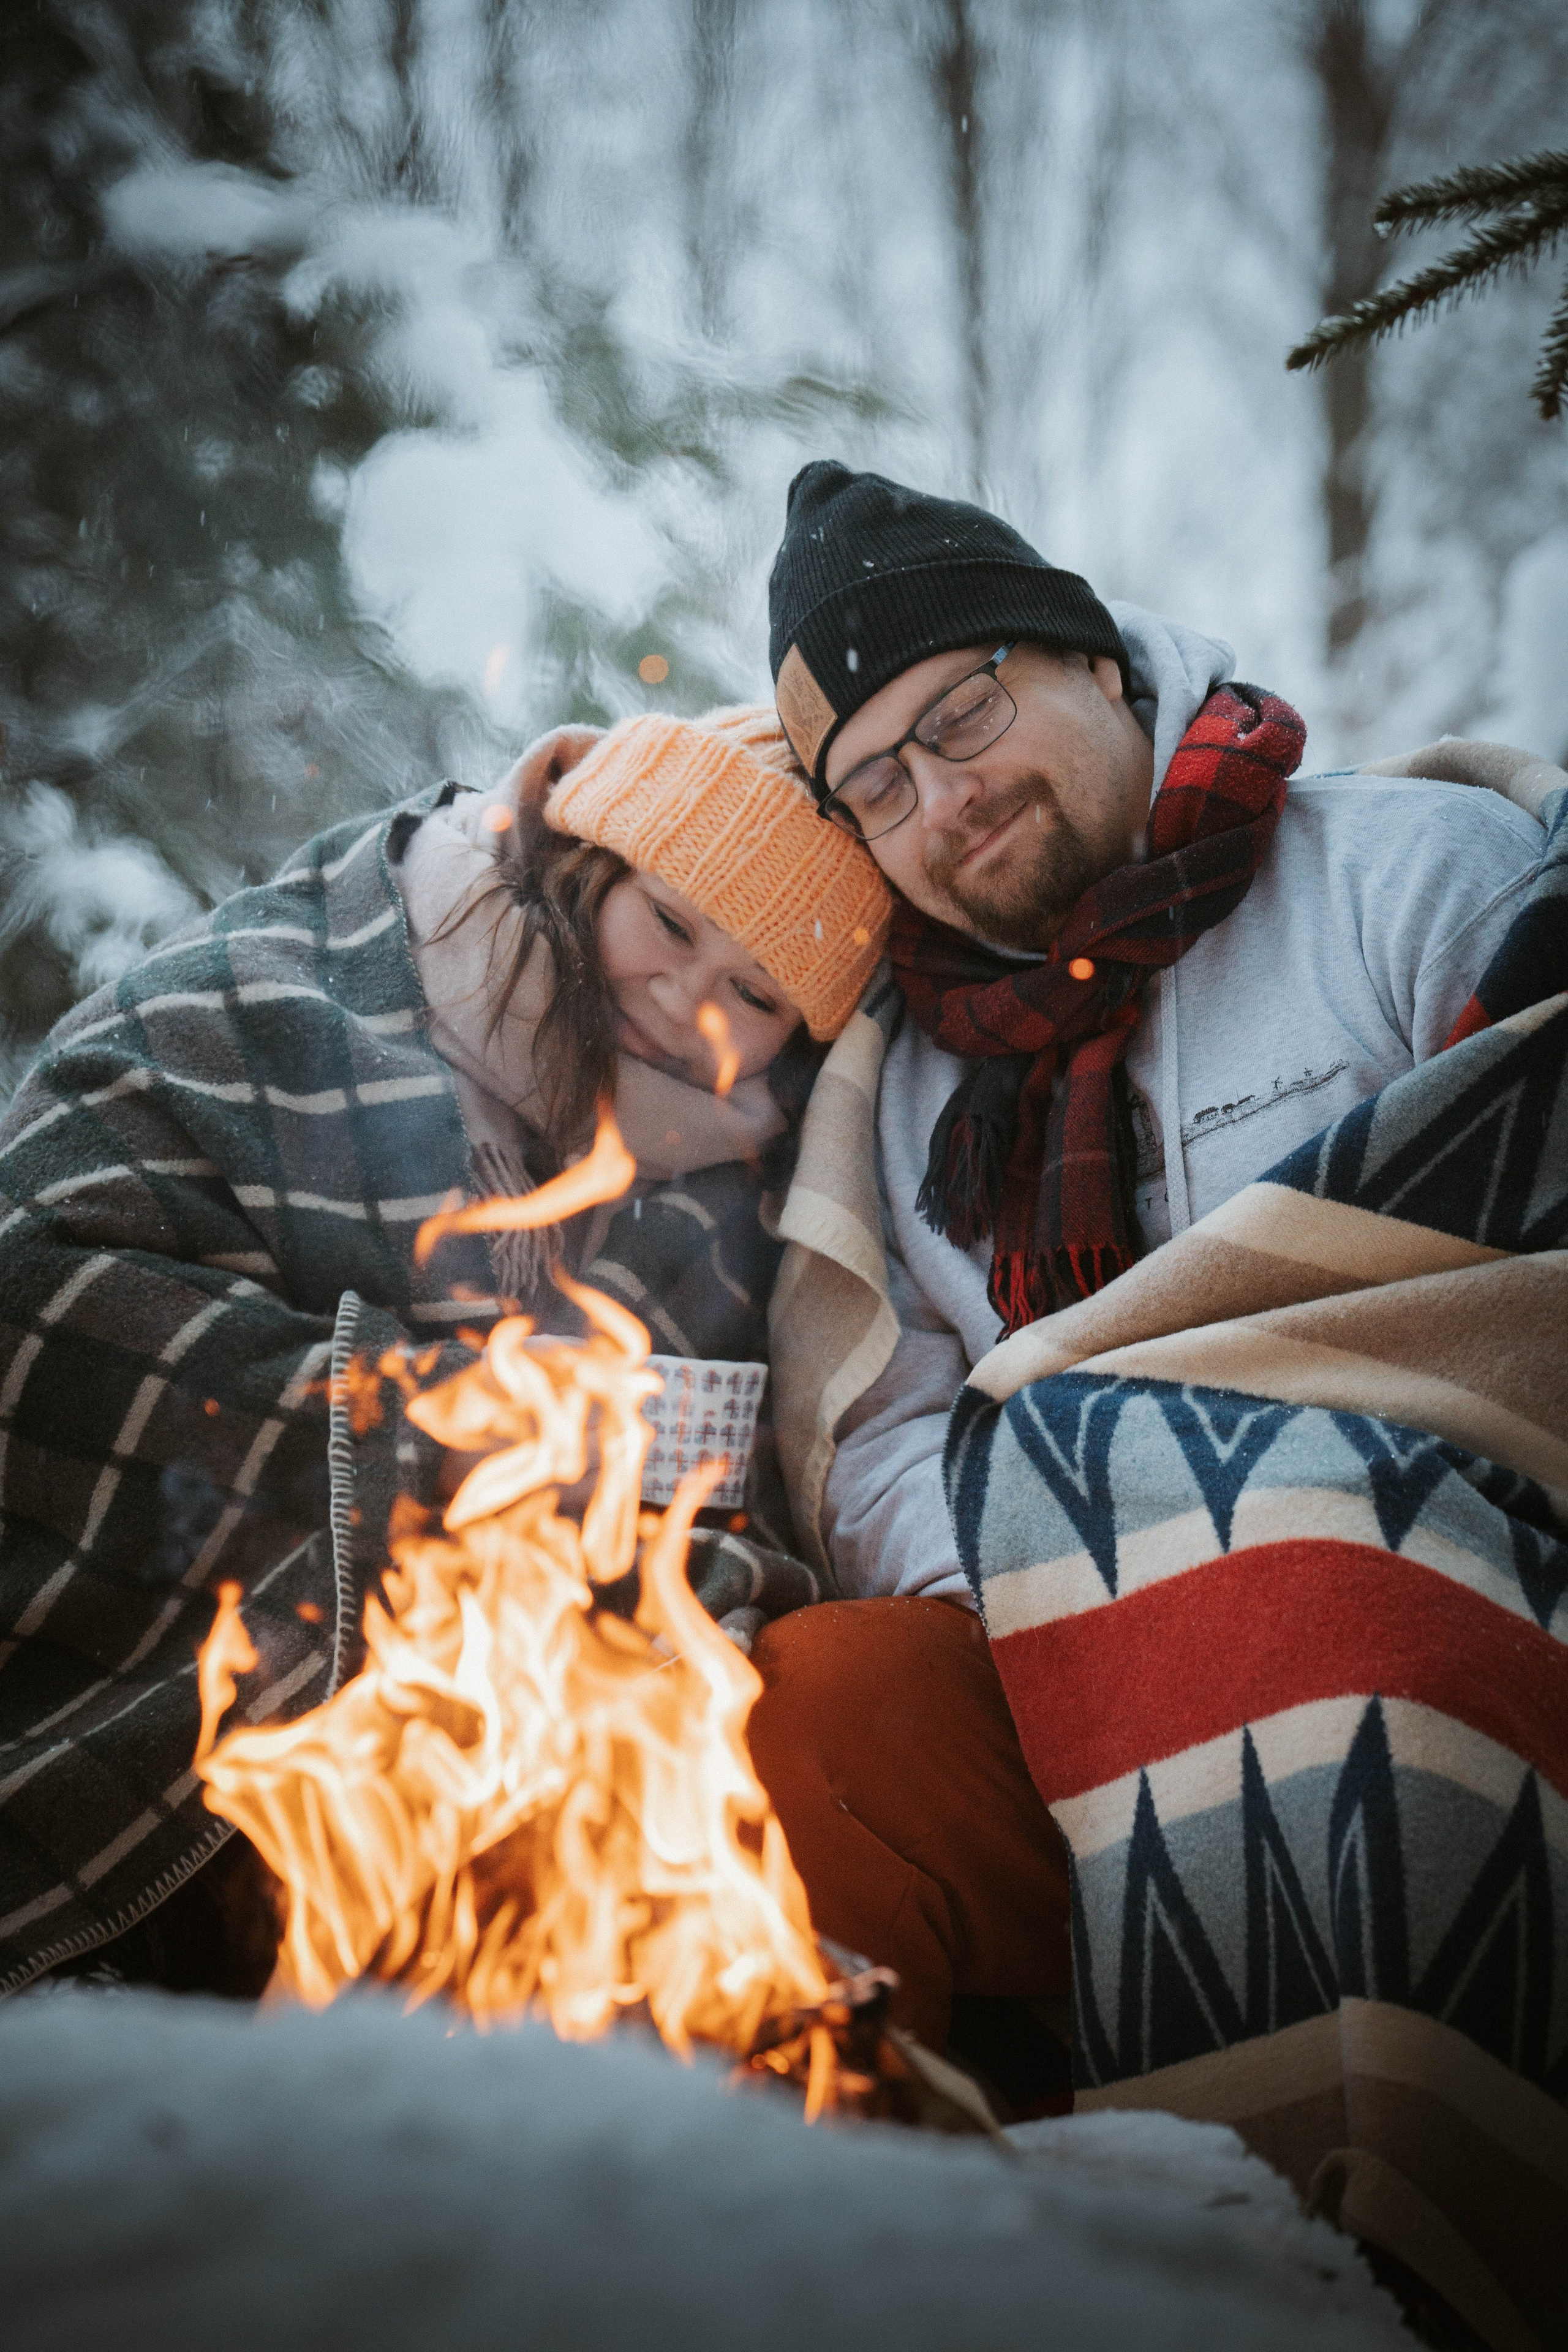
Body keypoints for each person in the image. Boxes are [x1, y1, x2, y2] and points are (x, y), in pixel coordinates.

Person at [750, 461, 1568, 2341]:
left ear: (1101, 665)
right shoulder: (917, 1100)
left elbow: (1532, 1277)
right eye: (877, 785)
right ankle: (832, 2263)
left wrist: (1228, 1512)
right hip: (1066, 1687)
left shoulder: (1405, 882)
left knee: (1299, 1601)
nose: (943, 802)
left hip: (1438, 1618)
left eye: (964, 716)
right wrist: (1090, 1562)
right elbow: (880, 1434)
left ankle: (1387, 2271)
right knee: (814, 1715)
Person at [0, 703, 891, 2000]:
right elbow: (32, 1279)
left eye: (755, 991)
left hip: (472, 1764)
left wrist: (660, 1578)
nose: (685, 999)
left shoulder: (728, 1194)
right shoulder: (297, 989)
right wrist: (439, 1442)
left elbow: (698, 1476)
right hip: (162, 1657)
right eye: (669, 922)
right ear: (590, 861)